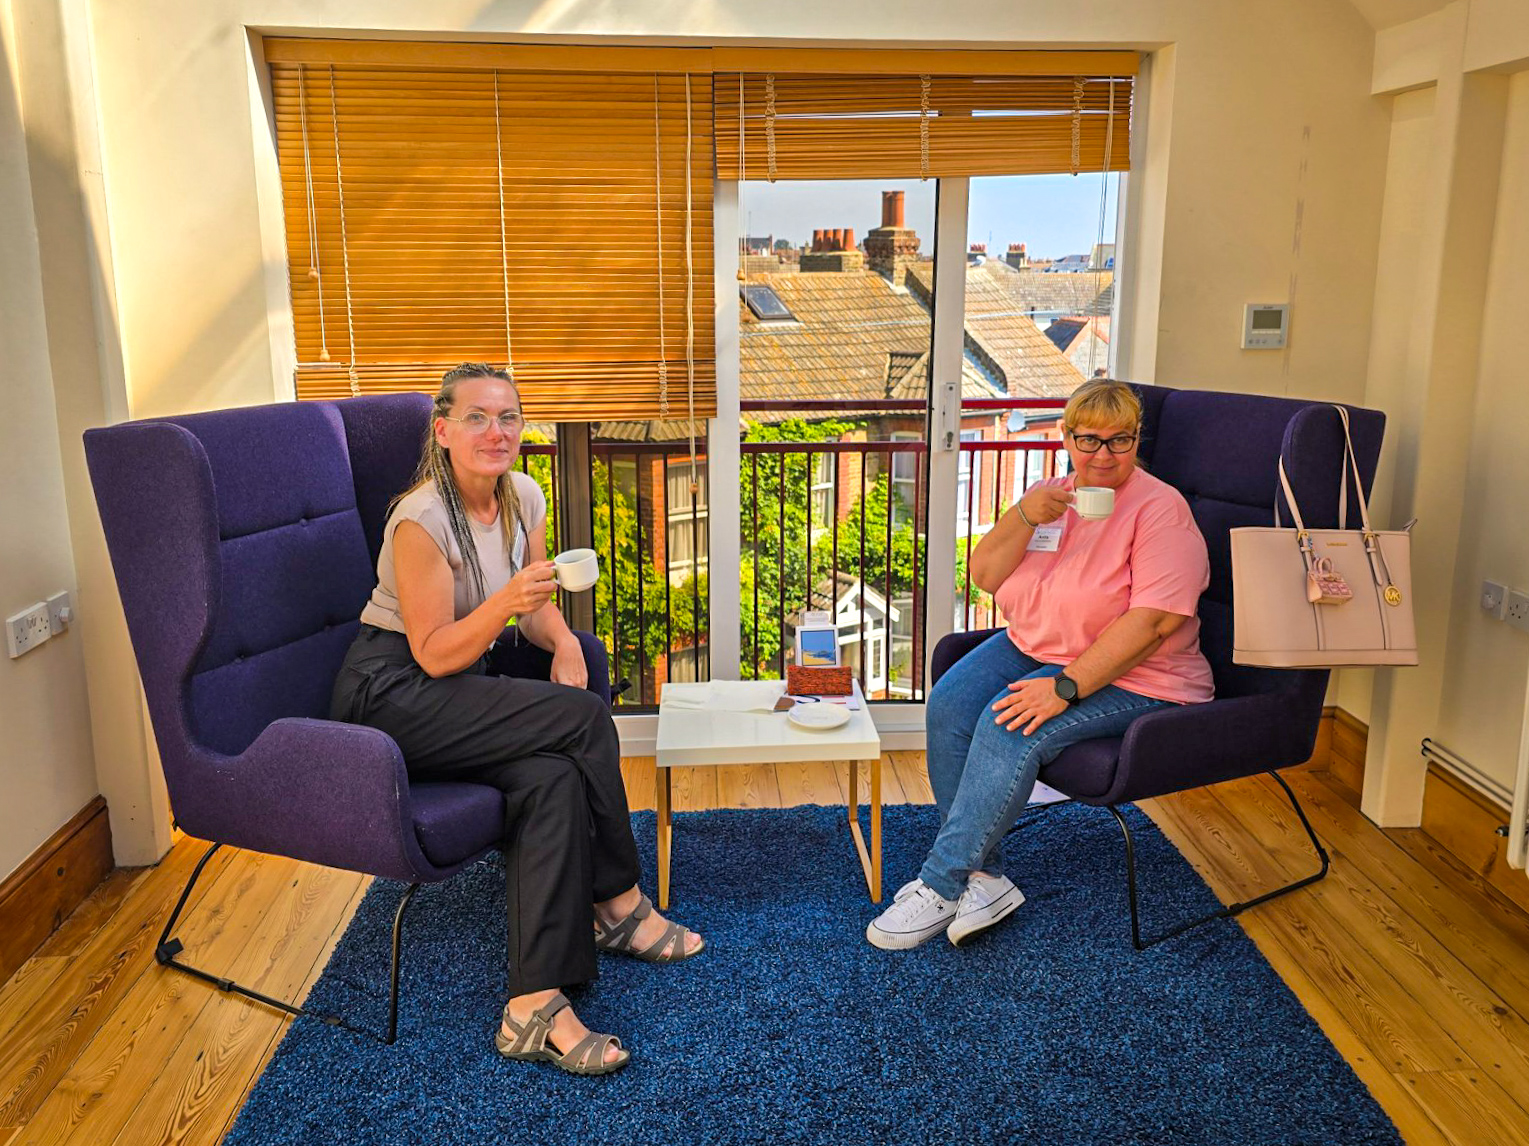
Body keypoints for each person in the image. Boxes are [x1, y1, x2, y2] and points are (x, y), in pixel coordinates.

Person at [331, 363, 702, 1075]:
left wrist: (562, 641)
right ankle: (619, 903)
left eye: (508, 417)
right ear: (443, 431)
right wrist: (506, 603)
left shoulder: (524, 496)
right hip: (391, 691)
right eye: (476, 417)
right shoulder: (420, 520)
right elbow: (434, 652)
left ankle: (532, 1005)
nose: (495, 431)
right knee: (584, 721)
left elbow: (534, 607)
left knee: (550, 778)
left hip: (456, 682)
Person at [866, 378, 1213, 950]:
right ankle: (985, 878)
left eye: (1120, 440)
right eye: (1089, 439)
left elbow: (1153, 623)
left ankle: (943, 883)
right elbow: (985, 575)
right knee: (950, 704)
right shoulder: (1050, 497)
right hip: (1038, 645)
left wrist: (1064, 688)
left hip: (1141, 675)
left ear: (1137, 439)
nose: (1103, 454)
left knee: (1008, 723)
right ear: (1066, 438)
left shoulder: (1161, 511)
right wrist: (1023, 515)